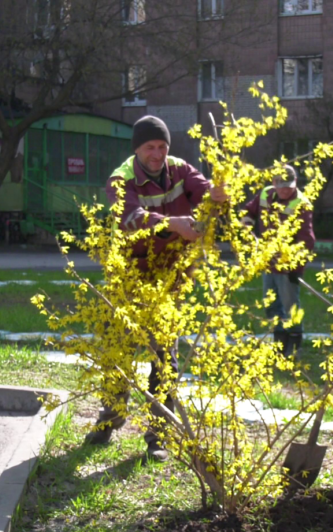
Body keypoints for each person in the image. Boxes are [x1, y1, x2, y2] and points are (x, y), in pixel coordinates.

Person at [83, 115, 228, 462]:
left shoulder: (180, 169)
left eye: (162, 146)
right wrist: (173, 225)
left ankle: (158, 434)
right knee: (118, 351)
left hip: (170, 277)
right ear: (137, 149)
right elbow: (130, 219)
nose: (157, 153)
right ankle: (111, 417)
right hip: (129, 276)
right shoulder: (121, 179)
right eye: (150, 147)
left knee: (165, 356)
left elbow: (205, 194)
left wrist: (219, 196)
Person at [242, 164, 315, 356]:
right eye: (281, 185)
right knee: (271, 305)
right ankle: (279, 347)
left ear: (295, 183)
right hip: (267, 263)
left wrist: (295, 267)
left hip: (287, 268)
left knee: (291, 306)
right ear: (273, 183)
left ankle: (294, 348)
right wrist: (247, 229)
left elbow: (307, 241)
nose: (285, 190)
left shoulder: (301, 204)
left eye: (289, 185)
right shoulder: (265, 194)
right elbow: (249, 212)